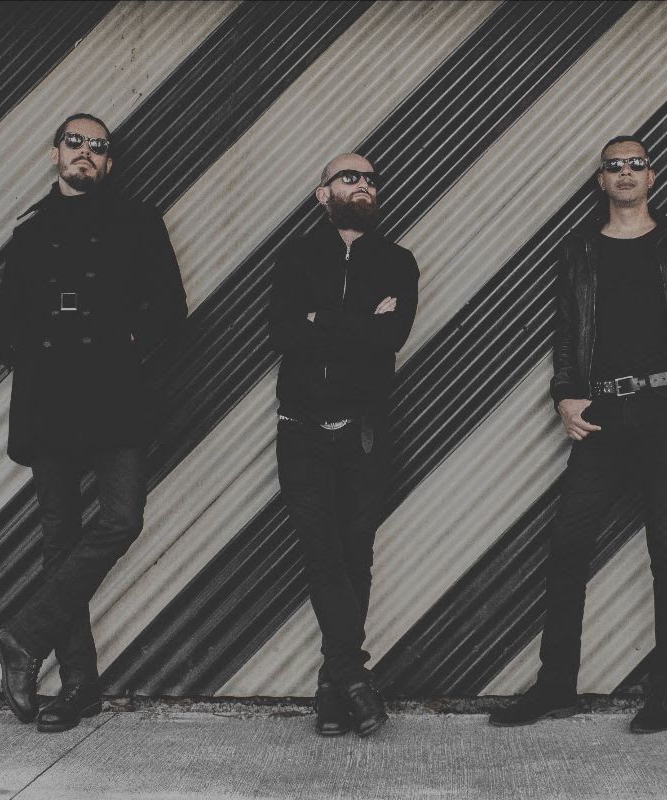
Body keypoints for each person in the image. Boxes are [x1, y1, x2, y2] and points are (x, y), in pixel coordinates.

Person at [489, 136, 667, 733]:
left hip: (666, 411)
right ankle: (556, 684)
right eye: (613, 166)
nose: (625, 173)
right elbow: (566, 329)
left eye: (635, 165)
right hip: (602, 415)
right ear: (600, 180)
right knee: (568, 544)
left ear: (652, 176)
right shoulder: (580, 248)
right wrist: (565, 394)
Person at [0, 113, 187, 732]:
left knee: (123, 518)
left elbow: (171, 305)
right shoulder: (30, 232)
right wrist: (31, 354)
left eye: (98, 147)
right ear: (56, 154)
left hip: (113, 393)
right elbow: (3, 318)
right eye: (75, 142)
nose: (86, 153)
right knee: (60, 538)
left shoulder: (138, 221)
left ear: (109, 164)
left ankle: (23, 636)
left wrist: (128, 343)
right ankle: (78, 686)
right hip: (48, 397)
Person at [268, 153, 419, 737]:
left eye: (371, 179)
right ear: (322, 193)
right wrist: (360, 320)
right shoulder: (295, 257)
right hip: (300, 429)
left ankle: (332, 691)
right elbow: (282, 333)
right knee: (321, 551)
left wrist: (321, 319)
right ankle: (354, 678)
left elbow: (392, 336)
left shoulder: (397, 262)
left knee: (356, 553)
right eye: (349, 177)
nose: (363, 185)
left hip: (364, 432)